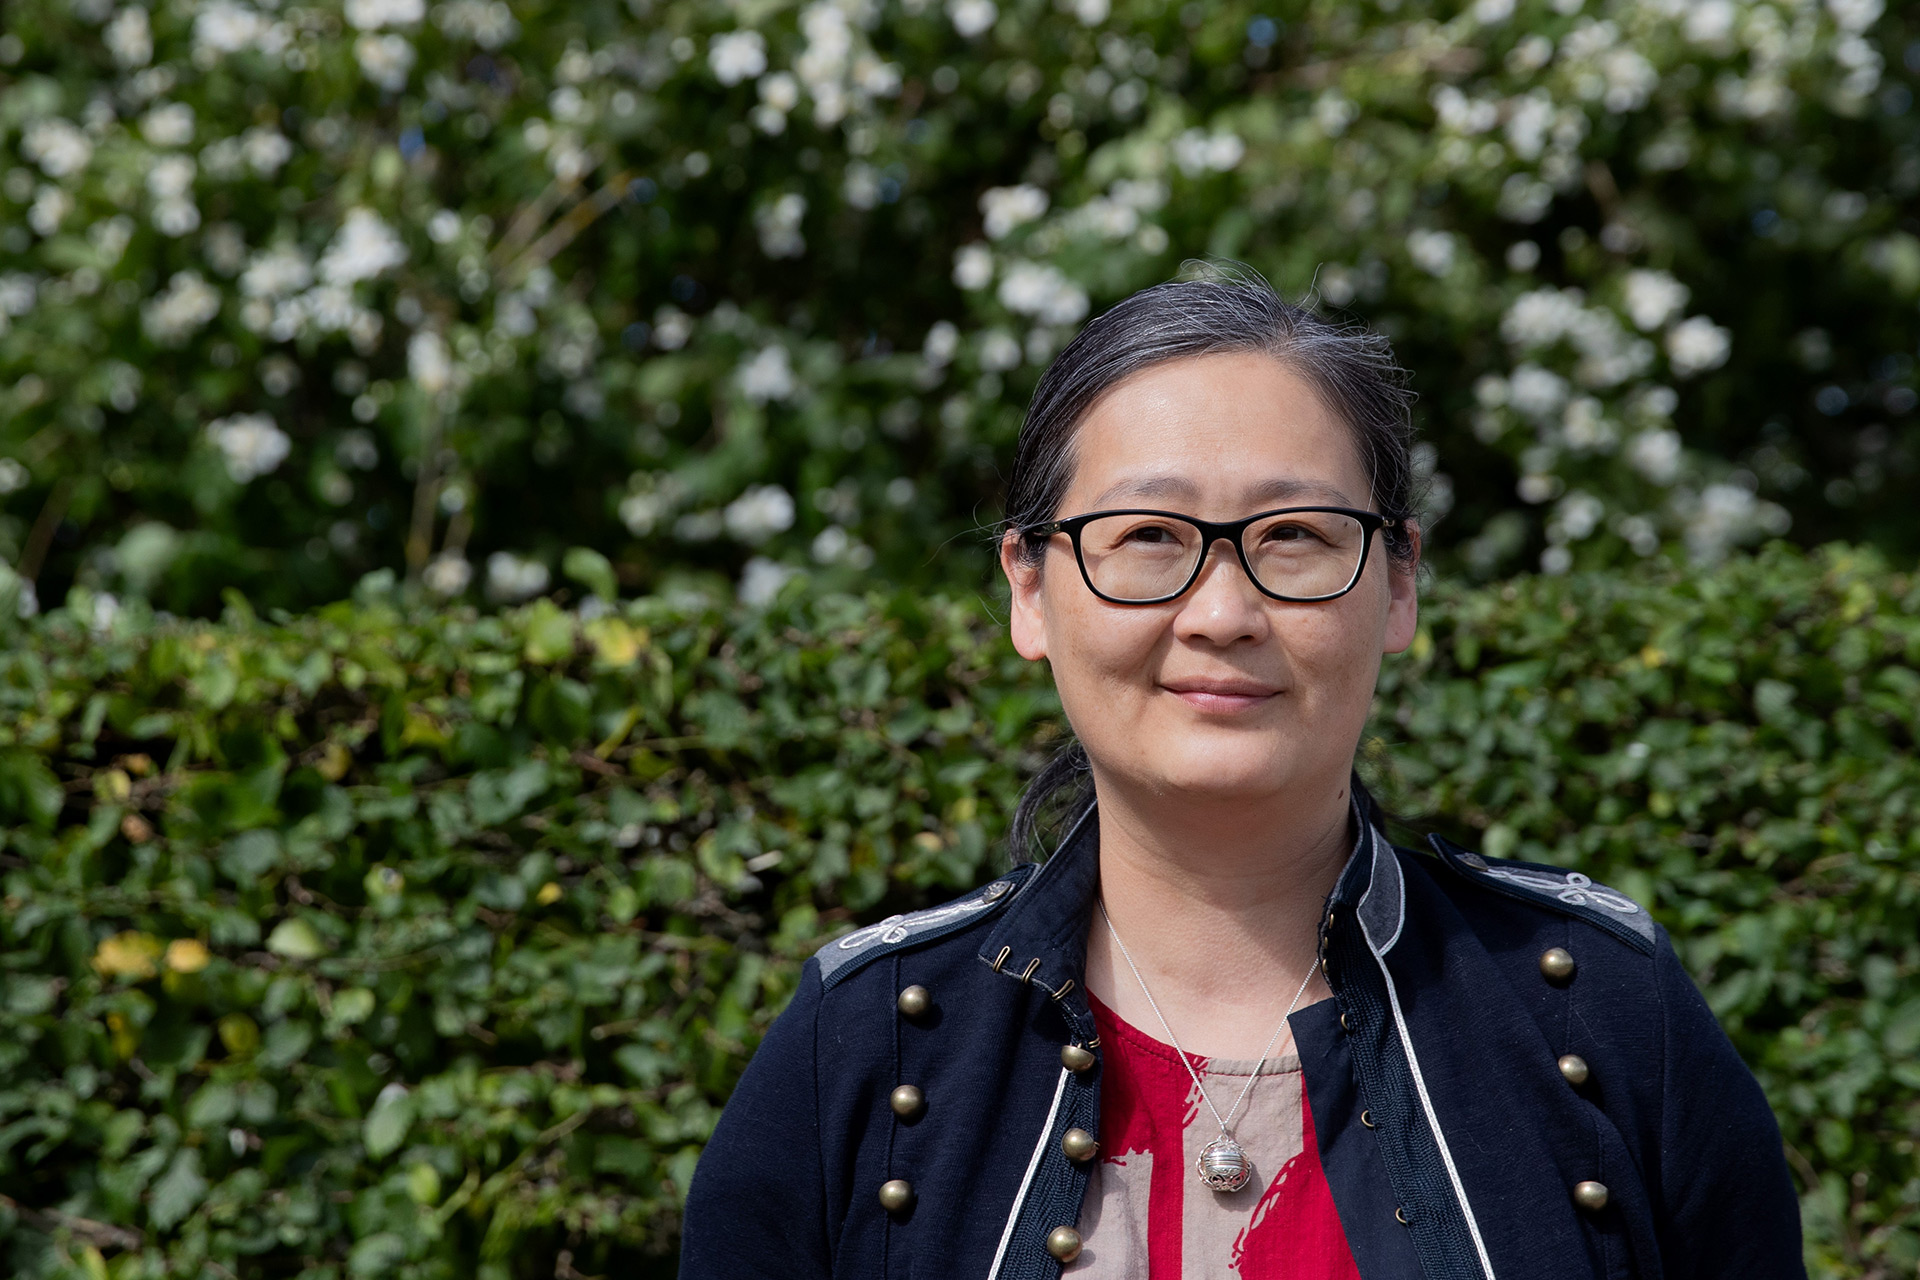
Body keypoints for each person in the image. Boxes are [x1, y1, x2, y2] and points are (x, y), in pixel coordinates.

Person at [678, 269, 1804, 1280]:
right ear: (1029, 587)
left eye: (1297, 537)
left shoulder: (1599, 1009)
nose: (1222, 613)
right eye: (1149, 537)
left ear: (1399, 580)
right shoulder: (866, 1038)